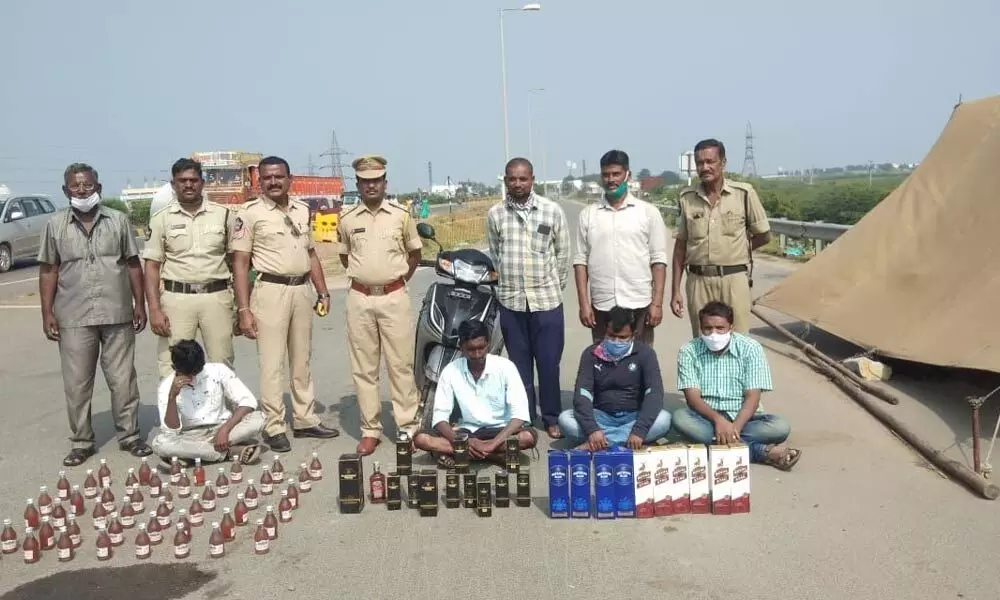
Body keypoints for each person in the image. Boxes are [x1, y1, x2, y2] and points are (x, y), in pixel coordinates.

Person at [37, 163, 153, 466]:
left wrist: (139, 304)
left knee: (123, 379)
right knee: (77, 383)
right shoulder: (55, 224)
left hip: (117, 313)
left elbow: (132, 264)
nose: (82, 191)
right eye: (75, 186)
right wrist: (47, 312)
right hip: (73, 316)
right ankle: (82, 442)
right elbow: (49, 270)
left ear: (97, 187)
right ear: (66, 190)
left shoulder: (118, 221)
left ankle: (130, 436)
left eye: (87, 185)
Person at [230, 155, 339, 453]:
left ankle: (305, 419)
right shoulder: (249, 214)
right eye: (267, 178)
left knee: (302, 360)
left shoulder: (303, 210)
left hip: (302, 289)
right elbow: (240, 264)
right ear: (259, 181)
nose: (273, 182)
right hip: (270, 291)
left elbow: (311, 253)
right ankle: (274, 424)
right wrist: (244, 310)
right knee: (271, 363)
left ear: (289, 179)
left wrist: (323, 291)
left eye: (279, 176)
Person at [336, 155, 423, 456]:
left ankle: (408, 427)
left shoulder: (400, 215)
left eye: (377, 180)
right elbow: (345, 257)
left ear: (385, 182)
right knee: (364, 368)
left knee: (400, 365)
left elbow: (414, 254)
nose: (371, 185)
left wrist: (394, 281)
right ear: (358, 184)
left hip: (394, 297)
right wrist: (369, 280)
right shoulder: (347, 219)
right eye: (365, 181)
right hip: (359, 298)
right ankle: (370, 429)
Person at [487, 157, 570, 439]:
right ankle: (523, 417)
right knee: (519, 365)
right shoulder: (496, 215)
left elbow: (562, 255)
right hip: (511, 302)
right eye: (512, 179)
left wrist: (554, 287)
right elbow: (495, 254)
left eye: (523, 178)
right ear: (505, 181)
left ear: (532, 179)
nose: (518, 184)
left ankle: (551, 417)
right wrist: (506, 289)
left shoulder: (551, 211)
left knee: (548, 364)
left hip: (546, 301)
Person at [672, 301, 801, 470]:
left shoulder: (750, 348)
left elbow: (753, 397)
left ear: (731, 327)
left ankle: (710, 446)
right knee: (681, 418)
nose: (713, 334)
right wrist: (718, 420)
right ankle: (760, 451)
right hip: (708, 418)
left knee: (780, 427)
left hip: (745, 418)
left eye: (720, 328)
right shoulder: (689, 351)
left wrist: (734, 429)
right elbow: (692, 398)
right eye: (707, 328)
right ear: (701, 328)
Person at [143, 158, 235, 378]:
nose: (188, 185)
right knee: (173, 363)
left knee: (222, 363)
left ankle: (222, 412)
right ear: (173, 185)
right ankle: (175, 412)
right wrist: (154, 309)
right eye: (182, 181)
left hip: (217, 297)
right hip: (177, 299)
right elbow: (152, 267)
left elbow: (238, 261)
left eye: (193, 180)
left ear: (202, 183)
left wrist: (243, 306)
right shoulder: (160, 219)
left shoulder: (224, 215)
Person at [670, 139, 771, 337]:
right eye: (700, 163)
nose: (704, 167)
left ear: (722, 163)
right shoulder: (687, 198)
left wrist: (739, 250)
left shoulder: (743, 194)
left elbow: (763, 235)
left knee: (738, 341)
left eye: (710, 161)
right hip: (699, 281)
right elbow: (680, 247)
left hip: (734, 280)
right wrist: (675, 291)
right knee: (703, 342)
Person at [573, 149, 669, 344]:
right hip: (602, 304)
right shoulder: (589, 215)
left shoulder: (648, 213)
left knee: (640, 360)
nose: (611, 179)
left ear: (628, 175)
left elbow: (658, 260)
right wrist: (584, 304)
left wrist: (657, 304)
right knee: (604, 361)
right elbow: (580, 262)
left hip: (639, 302)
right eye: (606, 175)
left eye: (616, 174)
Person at [413, 320, 537, 467]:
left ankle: (466, 454)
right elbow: (440, 419)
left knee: (527, 437)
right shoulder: (451, 371)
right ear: (462, 348)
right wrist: (463, 441)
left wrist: (492, 443)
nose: (478, 354)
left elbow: (519, 416)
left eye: (481, 348)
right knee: (421, 439)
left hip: (500, 430)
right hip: (465, 431)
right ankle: (494, 456)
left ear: (488, 344)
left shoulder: (506, 367)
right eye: (471, 349)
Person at [558, 306, 672, 450]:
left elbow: (654, 394)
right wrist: (592, 429)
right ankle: (624, 443)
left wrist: (639, 430)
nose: (616, 341)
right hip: (600, 417)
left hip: (633, 417)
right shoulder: (591, 354)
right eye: (611, 336)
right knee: (565, 420)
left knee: (664, 420)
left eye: (623, 337)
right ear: (605, 331)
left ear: (633, 335)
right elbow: (582, 394)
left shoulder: (646, 354)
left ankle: (599, 444)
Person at [149, 339, 267, 466]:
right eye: (189, 375)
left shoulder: (218, 370)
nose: (194, 379)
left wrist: (225, 430)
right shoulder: (166, 386)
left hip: (223, 428)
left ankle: (192, 456)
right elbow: (171, 429)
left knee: (260, 418)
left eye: (197, 373)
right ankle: (226, 452)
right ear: (174, 368)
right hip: (191, 436)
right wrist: (172, 397)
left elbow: (248, 401)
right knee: (160, 443)